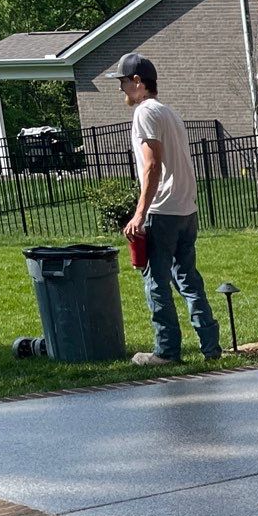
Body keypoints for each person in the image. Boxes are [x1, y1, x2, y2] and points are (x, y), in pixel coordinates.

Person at [108, 51, 222, 365]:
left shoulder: (145, 112)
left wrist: (140, 213)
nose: (121, 89)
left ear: (137, 81)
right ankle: (211, 348)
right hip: (187, 209)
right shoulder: (169, 112)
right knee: (188, 280)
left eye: (123, 82)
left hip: (163, 211)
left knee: (155, 282)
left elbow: (152, 166)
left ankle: (167, 352)